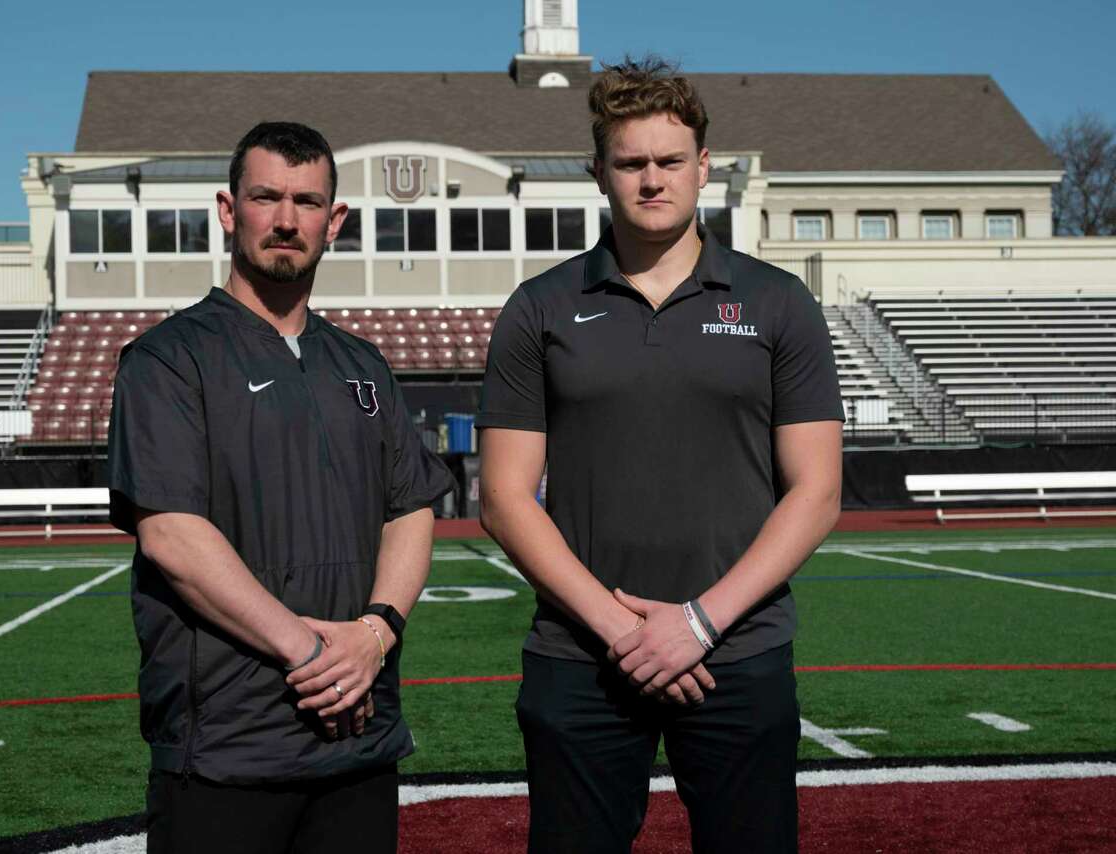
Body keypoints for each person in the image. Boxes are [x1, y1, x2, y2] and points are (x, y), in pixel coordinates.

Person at [477, 58, 844, 853]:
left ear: (704, 167)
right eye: (631, 162)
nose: (652, 180)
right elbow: (504, 499)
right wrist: (624, 631)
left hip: (739, 649)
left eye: (670, 161)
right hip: (581, 654)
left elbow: (816, 493)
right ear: (598, 171)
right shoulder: (540, 306)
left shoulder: (780, 303)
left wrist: (698, 622)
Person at [108, 121, 455, 854]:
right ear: (229, 210)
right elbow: (171, 534)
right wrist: (310, 652)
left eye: (306, 201)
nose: (286, 219)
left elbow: (412, 507)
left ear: (336, 222)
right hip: (228, 746)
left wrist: (376, 632)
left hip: (360, 732)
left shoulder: (363, 364)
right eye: (266, 197)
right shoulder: (168, 360)